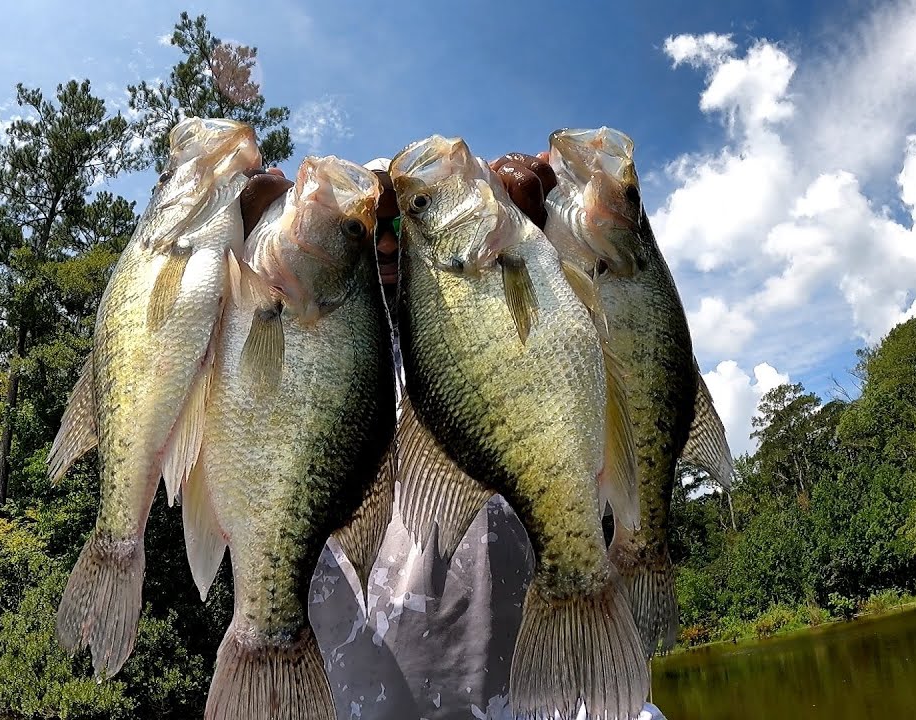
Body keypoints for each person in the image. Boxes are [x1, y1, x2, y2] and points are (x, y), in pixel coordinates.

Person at [238, 154, 667, 720]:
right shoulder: (265, 330)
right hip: (330, 694)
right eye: (367, 231)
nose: (387, 244)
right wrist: (228, 242)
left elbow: (628, 359)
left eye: (404, 221)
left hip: (542, 698)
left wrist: (567, 227)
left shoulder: (520, 299)